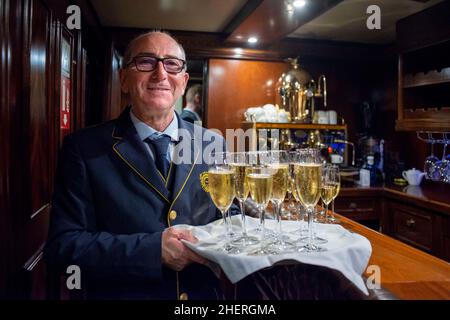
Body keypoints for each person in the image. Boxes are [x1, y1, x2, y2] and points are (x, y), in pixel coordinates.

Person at [44, 31, 232, 300]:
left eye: (172, 64)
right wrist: (153, 250)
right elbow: (63, 247)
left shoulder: (213, 142)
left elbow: (230, 217)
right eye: (145, 62)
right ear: (123, 79)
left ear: (183, 81)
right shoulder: (83, 148)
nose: (160, 73)